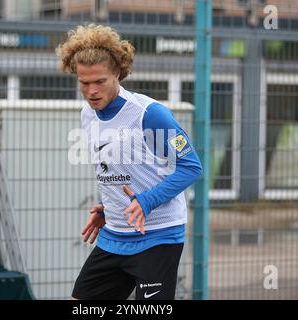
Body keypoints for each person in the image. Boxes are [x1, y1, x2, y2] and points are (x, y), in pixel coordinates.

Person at [56, 24, 202, 300]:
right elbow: (115, 167)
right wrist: (111, 206)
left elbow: (191, 167)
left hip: (157, 236)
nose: (91, 91)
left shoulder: (149, 114)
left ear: (118, 74)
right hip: (114, 235)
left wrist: (145, 201)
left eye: (100, 81)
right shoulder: (87, 115)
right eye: (84, 83)